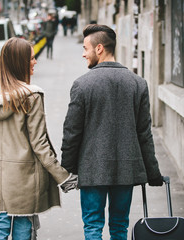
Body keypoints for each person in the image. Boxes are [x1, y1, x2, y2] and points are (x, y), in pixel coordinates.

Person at [60, 24, 163, 240]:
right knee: (119, 227)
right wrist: (153, 173)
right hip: (126, 169)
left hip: (92, 170)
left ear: (99, 49)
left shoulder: (82, 85)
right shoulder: (138, 83)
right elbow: (144, 133)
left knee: (93, 227)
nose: (83, 54)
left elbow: (72, 132)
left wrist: (67, 168)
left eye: (85, 48)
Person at [0, 37, 76, 240]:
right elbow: (39, 144)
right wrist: (63, 177)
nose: (35, 62)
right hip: (23, 179)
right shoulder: (30, 96)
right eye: (32, 58)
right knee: (22, 229)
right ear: (20, 62)